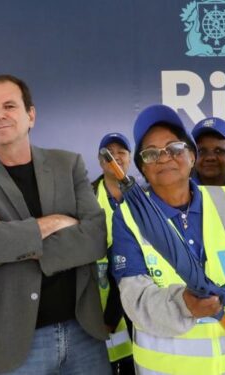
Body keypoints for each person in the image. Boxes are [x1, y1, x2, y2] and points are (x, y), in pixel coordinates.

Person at [0, 74, 109, 374]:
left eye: (9, 106)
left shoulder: (68, 165)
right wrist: (57, 222)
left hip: (83, 333)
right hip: (10, 342)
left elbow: (94, 238)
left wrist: (6, 232)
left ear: (30, 115)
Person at [110, 104, 225, 375]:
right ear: (142, 168)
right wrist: (184, 305)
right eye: (151, 154)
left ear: (191, 157)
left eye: (174, 148)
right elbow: (134, 298)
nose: (164, 158)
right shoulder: (129, 216)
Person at [91, 132, 134, 374]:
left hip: (133, 295)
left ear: (129, 158)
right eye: (108, 153)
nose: (115, 157)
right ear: (99, 160)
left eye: (121, 152)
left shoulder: (143, 195)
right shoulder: (85, 197)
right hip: (98, 299)